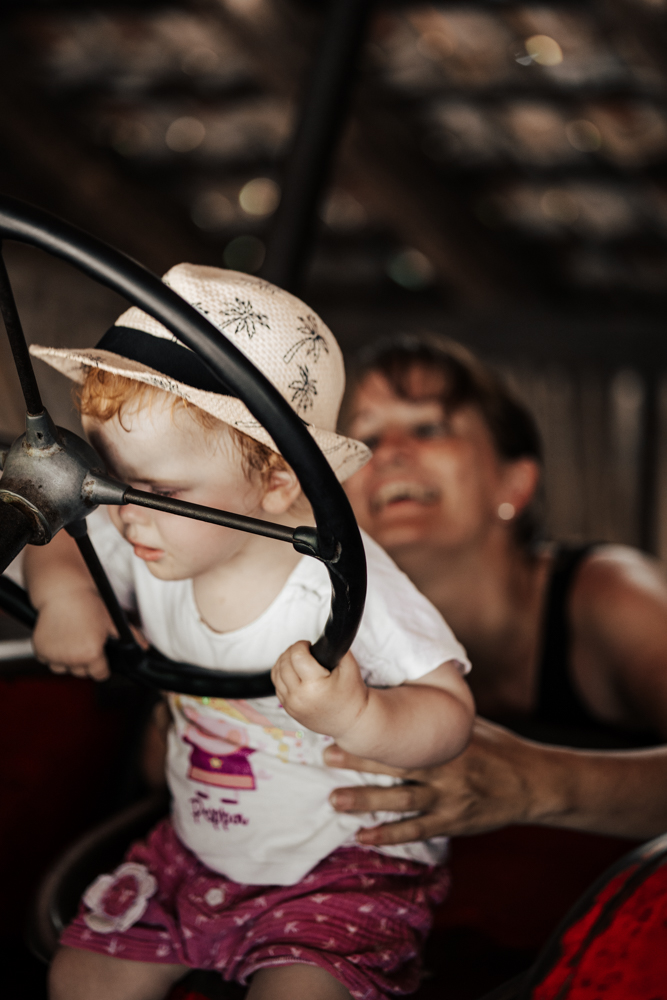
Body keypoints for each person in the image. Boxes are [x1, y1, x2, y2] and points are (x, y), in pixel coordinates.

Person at [24, 268, 474, 1000]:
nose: (122, 511)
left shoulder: (340, 582)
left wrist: (361, 715)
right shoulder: (150, 535)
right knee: (78, 980)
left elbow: (449, 711)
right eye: (109, 477)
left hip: (342, 862)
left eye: (159, 491)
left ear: (277, 481)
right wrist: (68, 599)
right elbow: (58, 540)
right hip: (197, 844)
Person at [328, 333, 667, 851]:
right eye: (366, 439)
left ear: (514, 483)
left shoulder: (611, 595)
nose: (389, 453)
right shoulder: (316, 618)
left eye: (428, 428)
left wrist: (537, 782)